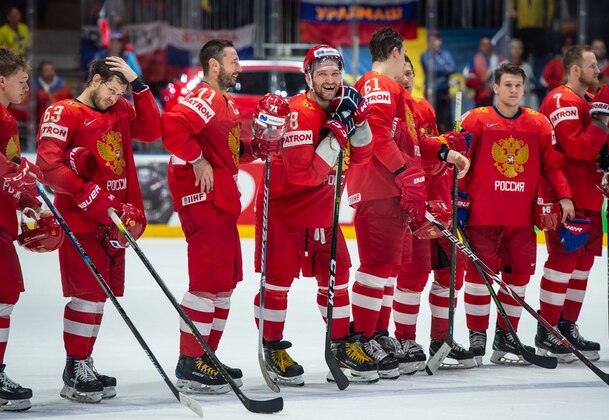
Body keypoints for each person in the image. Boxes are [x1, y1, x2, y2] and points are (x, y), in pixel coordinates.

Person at [36, 56, 161, 403]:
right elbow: (48, 165)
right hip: (82, 219)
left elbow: (152, 131)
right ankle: (74, 368)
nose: (114, 97)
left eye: (121, 90)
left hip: (116, 219)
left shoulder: (121, 108)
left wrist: (139, 86)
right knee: (86, 293)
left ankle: (84, 360)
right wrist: (85, 193)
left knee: (99, 294)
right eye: (111, 88)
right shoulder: (63, 112)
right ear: (94, 79)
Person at [253, 44, 378, 386]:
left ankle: (340, 345)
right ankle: (272, 347)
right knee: (277, 284)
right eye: (321, 73)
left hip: (324, 211)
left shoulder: (341, 106)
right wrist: (338, 132)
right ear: (308, 77)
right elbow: (302, 176)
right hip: (284, 212)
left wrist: (359, 118)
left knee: (337, 279)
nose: (330, 79)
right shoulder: (300, 113)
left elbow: (364, 157)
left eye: (335, 73)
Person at [350, 28, 468, 379]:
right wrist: (406, 173)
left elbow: (413, 142)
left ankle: (378, 336)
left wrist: (445, 151)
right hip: (379, 188)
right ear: (398, 51)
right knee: (376, 268)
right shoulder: (378, 84)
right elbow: (377, 135)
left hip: (389, 190)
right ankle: (363, 341)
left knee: (385, 270)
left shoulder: (392, 92)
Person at [162, 39, 278, 394]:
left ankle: (205, 355)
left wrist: (254, 148)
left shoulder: (222, 101)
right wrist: (197, 161)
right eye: (233, 60)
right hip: (204, 201)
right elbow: (171, 128)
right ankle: (189, 361)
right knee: (206, 282)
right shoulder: (205, 97)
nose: (238, 67)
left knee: (224, 283)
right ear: (213, 65)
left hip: (221, 201)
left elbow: (224, 151)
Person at [460, 62, 573, 366]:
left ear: (524, 88)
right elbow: (459, 163)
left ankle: (506, 334)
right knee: (478, 278)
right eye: (507, 85)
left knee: (519, 278)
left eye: (518, 85)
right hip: (482, 216)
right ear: (495, 88)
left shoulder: (538, 124)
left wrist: (563, 196)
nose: (513, 90)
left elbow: (552, 165)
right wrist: (455, 199)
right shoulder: (476, 120)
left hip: (522, 218)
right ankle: (477, 334)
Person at [536, 45, 609, 362]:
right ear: (574, 70)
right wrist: (600, 121)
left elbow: (594, 151)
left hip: (588, 196)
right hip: (566, 197)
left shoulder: (585, 102)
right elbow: (577, 149)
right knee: (563, 262)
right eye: (591, 64)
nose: (597, 69)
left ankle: (566, 325)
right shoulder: (561, 99)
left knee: (583, 264)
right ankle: (547, 330)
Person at [391, 55, 474, 372]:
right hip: (410, 205)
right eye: (401, 73)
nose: (407, 78)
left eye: (410, 73)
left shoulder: (423, 108)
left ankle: (442, 340)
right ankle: (404, 339)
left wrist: (449, 147)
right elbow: (411, 161)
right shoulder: (389, 114)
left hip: (440, 202)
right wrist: (442, 152)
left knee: (450, 275)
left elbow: (434, 153)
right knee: (412, 276)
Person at [0, 46, 53, 412]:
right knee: (3, 297)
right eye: (21, 81)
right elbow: (8, 168)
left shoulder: (7, 119)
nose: (26, 88)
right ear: (1, 81)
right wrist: (14, 172)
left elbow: (12, 168)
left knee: (5, 297)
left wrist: (25, 199)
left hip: (3, 218)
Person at [421, 31, 456, 133]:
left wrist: (438, 66)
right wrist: (444, 67)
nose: (434, 42)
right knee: (434, 120)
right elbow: (430, 68)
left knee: (447, 119)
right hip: (431, 92)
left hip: (444, 91)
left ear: (440, 41)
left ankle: (449, 141)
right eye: (432, 40)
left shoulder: (446, 54)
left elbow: (452, 68)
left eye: (436, 40)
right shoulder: (425, 55)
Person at [464, 37, 502, 107]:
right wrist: (482, 81)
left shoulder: (500, 61)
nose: (487, 47)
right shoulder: (473, 63)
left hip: (498, 101)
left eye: (489, 45)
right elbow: (469, 82)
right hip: (481, 101)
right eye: (484, 45)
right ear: (480, 47)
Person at [504, 39, 538, 109]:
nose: (516, 51)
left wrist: (534, 109)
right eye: (514, 48)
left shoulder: (527, 68)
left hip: (524, 107)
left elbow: (532, 91)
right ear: (509, 50)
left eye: (519, 48)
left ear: (522, 50)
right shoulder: (502, 67)